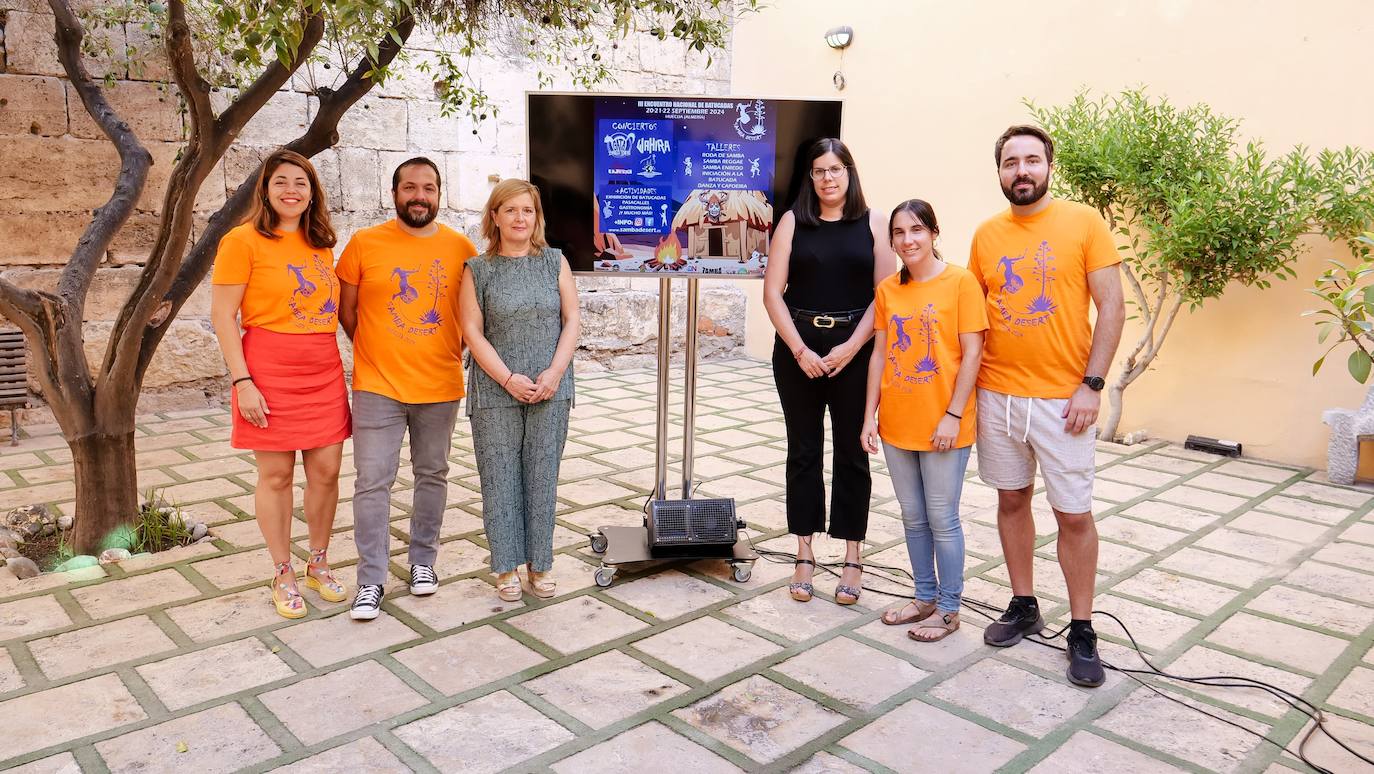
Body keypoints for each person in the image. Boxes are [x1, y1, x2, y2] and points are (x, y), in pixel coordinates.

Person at [969, 125, 1125, 686]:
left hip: (1064, 400)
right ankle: (1023, 602)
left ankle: (1081, 627)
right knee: (1012, 499)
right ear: (1000, 172)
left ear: (1049, 167)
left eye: (1032, 160)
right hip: (998, 396)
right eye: (1011, 162)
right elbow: (978, 319)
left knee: (1074, 513)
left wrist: (1094, 384)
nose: (1022, 171)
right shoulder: (986, 235)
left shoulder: (1085, 223)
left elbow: (1111, 306)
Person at [210, 149, 350, 620]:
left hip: (323, 367)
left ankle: (318, 562)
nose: (291, 191)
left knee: (327, 471)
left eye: (301, 183)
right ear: (266, 190)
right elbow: (222, 316)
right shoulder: (241, 240)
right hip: (267, 370)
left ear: (312, 193)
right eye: (281, 182)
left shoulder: (321, 243)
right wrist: (242, 382)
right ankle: (282, 570)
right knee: (276, 475)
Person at [337, 157, 479, 621]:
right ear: (394, 193)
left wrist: (448, 348)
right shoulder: (364, 244)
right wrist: (379, 350)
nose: (420, 196)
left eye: (429, 188)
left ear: (440, 194)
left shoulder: (462, 249)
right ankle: (371, 580)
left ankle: (423, 562)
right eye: (410, 188)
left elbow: (473, 316)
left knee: (432, 474)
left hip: (439, 384)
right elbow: (349, 311)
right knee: (372, 482)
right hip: (377, 384)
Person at [763, 138, 896, 605]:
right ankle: (803, 552)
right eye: (819, 171)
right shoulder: (792, 222)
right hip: (798, 347)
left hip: (855, 349)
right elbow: (772, 293)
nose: (828, 178)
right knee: (802, 450)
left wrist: (851, 347)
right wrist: (799, 349)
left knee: (852, 453)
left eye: (836, 169)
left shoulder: (876, 223)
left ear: (849, 173)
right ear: (811, 178)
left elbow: (886, 296)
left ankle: (852, 556)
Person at [861, 200, 987, 642]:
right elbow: (878, 355)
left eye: (916, 230)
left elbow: (973, 352)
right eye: (899, 233)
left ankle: (950, 609)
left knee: (942, 517)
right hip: (897, 422)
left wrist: (953, 415)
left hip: (944, 424)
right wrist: (868, 417)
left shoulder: (961, 283)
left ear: (934, 232)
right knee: (913, 518)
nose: (908, 240)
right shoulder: (888, 291)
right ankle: (924, 597)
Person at [459, 179, 580, 602]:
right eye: (509, 210)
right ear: (494, 217)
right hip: (495, 389)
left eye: (526, 210)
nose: (519, 218)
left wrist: (553, 373)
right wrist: (508, 378)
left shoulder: (555, 263)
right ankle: (505, 566)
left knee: (542, 476)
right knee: (499, 477)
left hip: (551, 387)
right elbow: (471, 331)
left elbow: (572, 321)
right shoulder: (479, 269)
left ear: (536, 217)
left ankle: (541, 563)